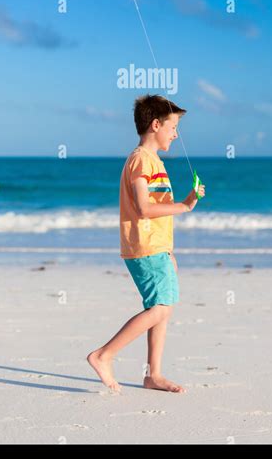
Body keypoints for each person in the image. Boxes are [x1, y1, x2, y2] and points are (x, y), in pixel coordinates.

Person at [87, 94, 205, 393]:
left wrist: (168, 250)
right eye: (173, 126)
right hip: (144, 247)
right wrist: (185, 206)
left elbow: (155, 212)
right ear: (156, 125)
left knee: (161, 307)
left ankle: (153, 375)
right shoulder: (141, 160)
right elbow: (142, 208)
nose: (176, 133)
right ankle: (104, 355)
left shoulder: (153, 161)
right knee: (161, 308)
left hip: (157, 247)